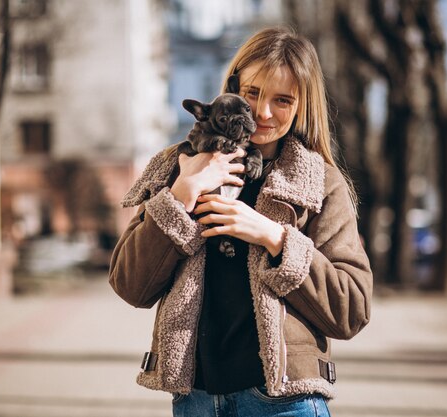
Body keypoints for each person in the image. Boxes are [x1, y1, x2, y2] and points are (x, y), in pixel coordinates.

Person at [109, 26, 373, 417]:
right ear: (232, 88)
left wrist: (274, 237)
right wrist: (183, 193)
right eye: (252, 93)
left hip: (284, 402)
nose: (263, 113)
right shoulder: (175, 168)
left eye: (282, 100)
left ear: (302, 106)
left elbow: (352, 308)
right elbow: (130, 285)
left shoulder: (319, 183)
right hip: (195, 400)